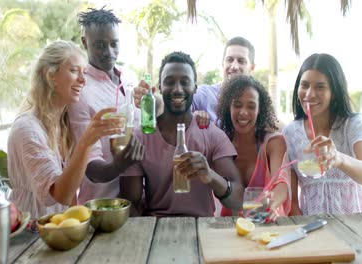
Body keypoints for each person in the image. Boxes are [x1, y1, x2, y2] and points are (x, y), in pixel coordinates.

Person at [8, 40, 125, 218]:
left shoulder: (62, 125)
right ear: (50, 75)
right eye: (73, 70)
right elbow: (59, 194)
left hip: (58, 230)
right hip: (27, 235)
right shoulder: (27, 129)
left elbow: (70, 196)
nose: (83, 80)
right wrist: (87, 140)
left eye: (84, 72)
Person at [120, 51, 243, 217]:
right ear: (159, 87)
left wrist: (210, 175)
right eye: (170, 82)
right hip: (154, 229)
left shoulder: (212, 134)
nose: (177, 89)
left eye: (185, 82)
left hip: (202, 229)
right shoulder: (140, 138)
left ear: (195, 87)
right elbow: (130, 205)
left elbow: (237, 199)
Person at [283, 53, 362, 216]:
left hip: (353, 226)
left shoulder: (352, 124)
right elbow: (292, 204)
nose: (309, 94)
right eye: (304, 85)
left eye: (320, 86)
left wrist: (339, 159)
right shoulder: (290, 133)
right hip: (312, 227)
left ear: (334, 92)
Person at [68, 7, 144, 204]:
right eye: (100, 45)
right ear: (85, 42)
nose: (109, 52)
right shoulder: (80, 91)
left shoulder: (129, 79)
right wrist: (121, 164)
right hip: (102, 206)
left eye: (114, 44)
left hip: (141, 205)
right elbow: (89, 167)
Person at [216, 75, 291, 221]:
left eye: (251, 106)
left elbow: (281, 185)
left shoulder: (273, 143)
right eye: (237, 105)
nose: (243, 112)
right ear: (228, 107)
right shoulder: (220, 142)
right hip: (227, 226)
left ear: (259, 110)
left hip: (265, 222)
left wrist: (270, 204)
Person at [133, 36, 256, 123]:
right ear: (222, 64)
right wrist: (152, 100)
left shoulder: (257, 103)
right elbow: (170, 103)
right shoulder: (205, 95)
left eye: (241, 61)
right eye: (229, 60)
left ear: (252, 68)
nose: (234, 66)